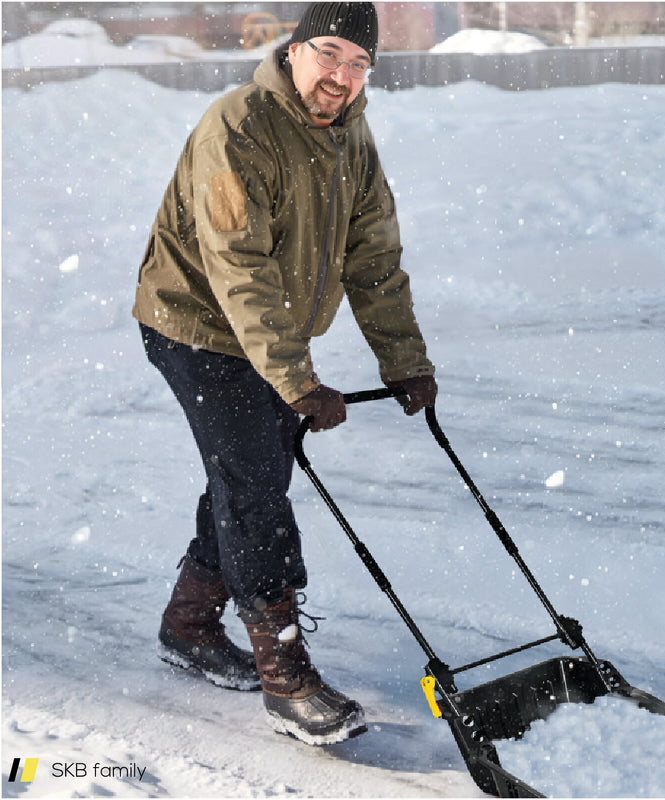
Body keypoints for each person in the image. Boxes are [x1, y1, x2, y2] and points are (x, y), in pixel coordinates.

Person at [132, 2, 437, 746]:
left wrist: (405, 361)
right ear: (294, 50)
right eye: (330, 54)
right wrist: (296, 378)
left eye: (359, 63)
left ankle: (191, 622)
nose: (342, 75)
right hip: (197, 328)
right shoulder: (238, 127)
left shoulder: (352, 136)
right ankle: (286, 678)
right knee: (256, 488)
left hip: (266, 338)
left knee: (251, 475)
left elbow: (373, 258)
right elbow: (240, 269)